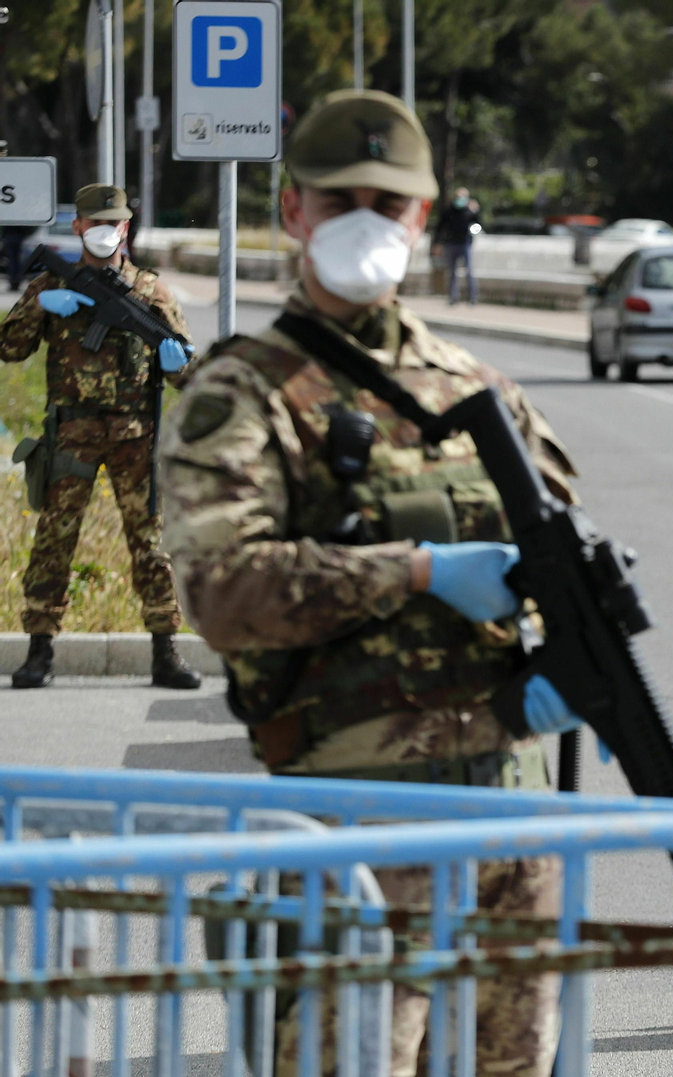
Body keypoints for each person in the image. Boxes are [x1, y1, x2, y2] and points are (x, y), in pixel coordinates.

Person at [158, 90, 584, 1076]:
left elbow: (553, 562)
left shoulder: (481, 391)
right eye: (338, 198)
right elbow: (222, 592)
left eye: (387, 204)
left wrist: (566, 654)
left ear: (423, 219)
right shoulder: (241, 390)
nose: (365, 220)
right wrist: (421, 570)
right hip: (353, 821)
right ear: (292, 211)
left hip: (508, 817)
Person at [0, 183, 201, 690]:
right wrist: (41, 305)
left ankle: (165, 650)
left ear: (126, 229)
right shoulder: (51, 284)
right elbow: (9, 348)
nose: (105, 233)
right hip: (72, 432)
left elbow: (186, 376)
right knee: (54, 539)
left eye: (114, 225)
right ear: (78, 228)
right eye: (95, 225)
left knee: (151, 543)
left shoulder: (152, 292)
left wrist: (179, 362)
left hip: (136, 436)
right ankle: (40, 650)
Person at [433, 186, 481, 305]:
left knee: (469, 271)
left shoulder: (470, 211)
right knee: (452, 272)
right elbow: (440, 227)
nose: (460, 199)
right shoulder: (448, 211)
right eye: (458, 197)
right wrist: (437, 243)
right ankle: (453, 297)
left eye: (462, 197)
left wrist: (476, 212)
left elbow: (478, 226)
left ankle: (472, 297)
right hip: (451, 244)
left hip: (465, 243)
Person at [2, 225, 31, 291]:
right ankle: (16, 279)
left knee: (12, 261)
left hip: (10, 238)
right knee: (16, 261)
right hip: (17, 238)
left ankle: (14, 279)